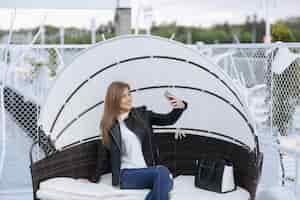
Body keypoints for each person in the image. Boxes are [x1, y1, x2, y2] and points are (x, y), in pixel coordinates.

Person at [99, 81, 187, 200]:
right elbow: (103, 154)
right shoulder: (109, 125)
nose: (129, 98)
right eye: (123, 96)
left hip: (148, 170)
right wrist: (92, 178)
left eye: (129, 94)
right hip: (126, 175)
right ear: (114, 99)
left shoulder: (142, 115)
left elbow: (168, 120)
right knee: (164, 176)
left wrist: (181, 106)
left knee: (165, 179)